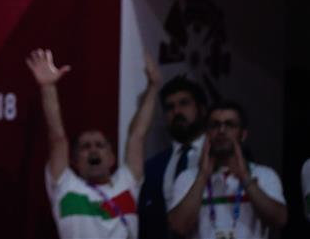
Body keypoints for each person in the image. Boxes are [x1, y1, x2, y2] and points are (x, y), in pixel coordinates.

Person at [26, 48, 161, 239]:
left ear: (112, 158)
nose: (93, 150)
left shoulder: (127, 184)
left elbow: (137, 135)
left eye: (99, 145)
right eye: (85, 146)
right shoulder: (65, 186)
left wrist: (153, 87)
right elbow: (57, 137)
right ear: (74, 161)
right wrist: (48, 87)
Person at [167, 101, 287, 238]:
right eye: (215, 125)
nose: (221, 130)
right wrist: (202, 177)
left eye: (230, 125)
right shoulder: (188, 177)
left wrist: (245, 178)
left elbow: (279, 220)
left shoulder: (264, 174)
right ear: (207, 134)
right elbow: (178, 226)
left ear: (243, 135)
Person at [138, 76, 208, 239]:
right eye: (170, 107)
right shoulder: (152, 167)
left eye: (184, 103)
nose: (177, 112)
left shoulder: (221, 157)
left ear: (201, 109)